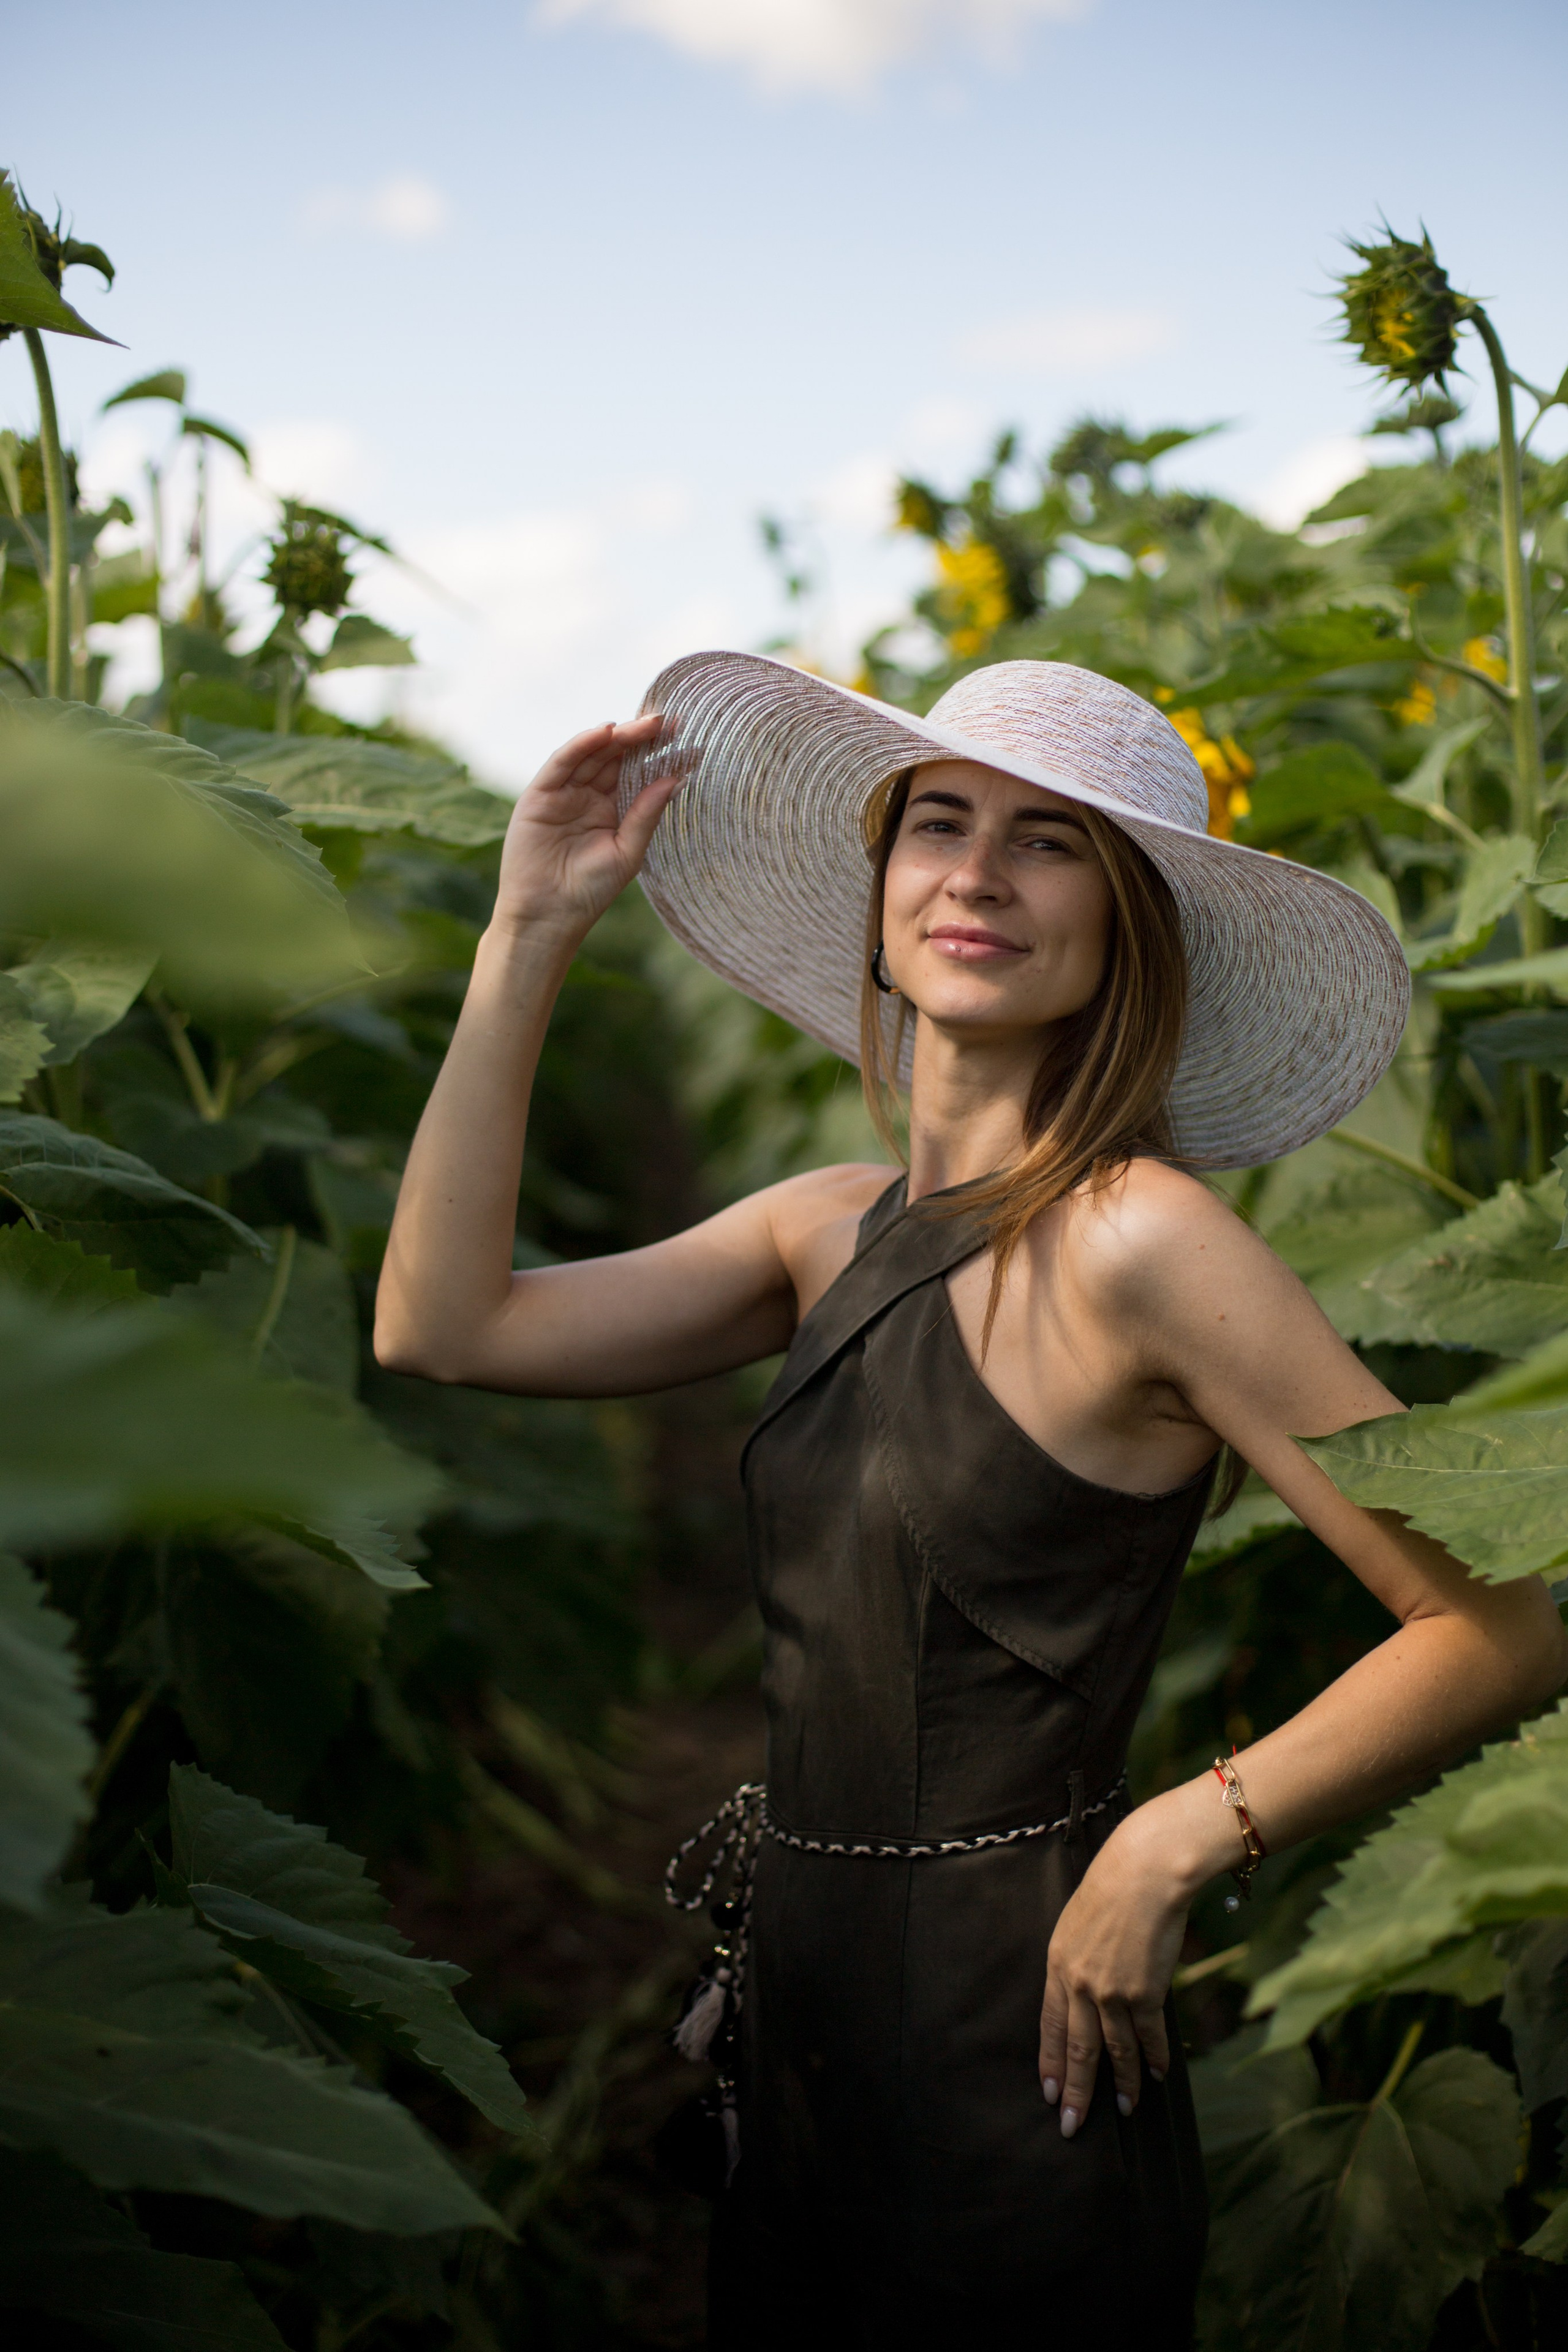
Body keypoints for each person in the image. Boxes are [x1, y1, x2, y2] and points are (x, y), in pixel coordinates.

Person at [375, 654, 1567, 2350]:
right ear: (882, 895)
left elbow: (1497, 1622)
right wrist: (529, 933)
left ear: (1127, 929)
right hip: (803, 2008)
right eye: (939, 824)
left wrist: (1179, 1837)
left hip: (1032, 2027)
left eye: (1050, 841)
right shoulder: (822, 1229)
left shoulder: (1142, 1243)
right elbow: (442, 1326)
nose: (980, 873)